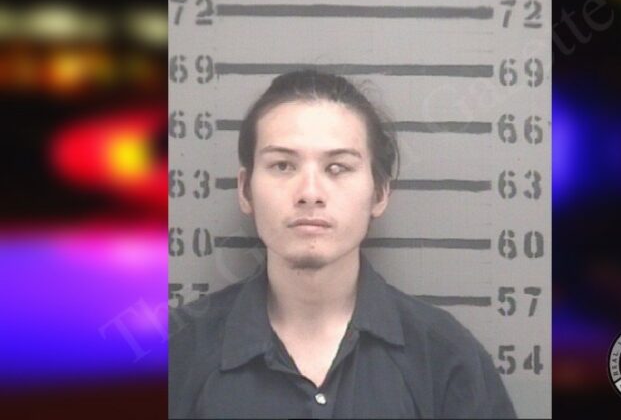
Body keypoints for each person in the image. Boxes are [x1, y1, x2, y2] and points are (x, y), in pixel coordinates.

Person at [169, 70, 516, 418]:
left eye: (337, 168)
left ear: (379, 193)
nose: (310, 193)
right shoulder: (176, 354)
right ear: (245, 190)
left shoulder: (446, 358)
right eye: (283, 165)